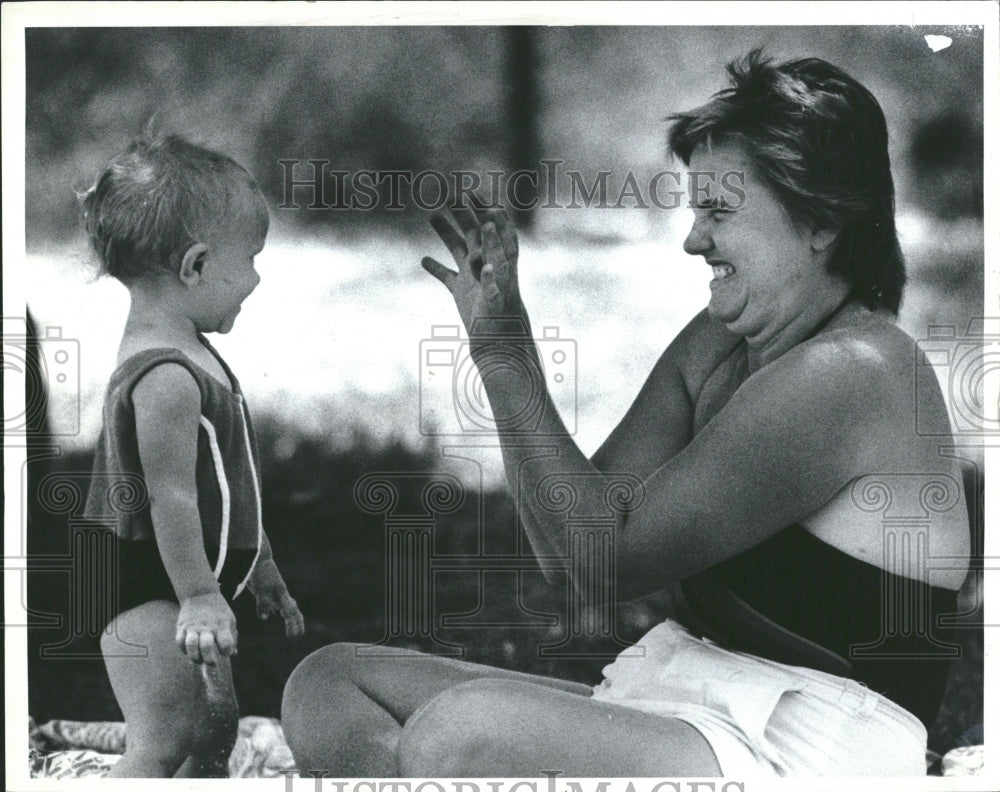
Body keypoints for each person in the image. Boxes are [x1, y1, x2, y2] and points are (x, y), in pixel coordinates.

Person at [281, 51, 970, 777]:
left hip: (815, 741)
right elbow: (570, 551)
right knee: (329, 686)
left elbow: (606, 564)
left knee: (457, 733)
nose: (693, 238)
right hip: (688, 700)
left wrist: (511, 362)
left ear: (821, 221)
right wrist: (498, 354)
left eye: (720, 210)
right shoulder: (723, 340)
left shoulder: (851, 372)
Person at [81, 133, 305, 777]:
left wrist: (258, 563)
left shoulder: (191, 353)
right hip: (151, 589)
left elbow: (222, 485)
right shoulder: (168, 377)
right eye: (252, 259)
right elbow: (170, 496)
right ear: (197, 265)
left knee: (211, 735)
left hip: (188, 587)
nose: (257, 278)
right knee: (164, 740)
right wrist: (202, 597)